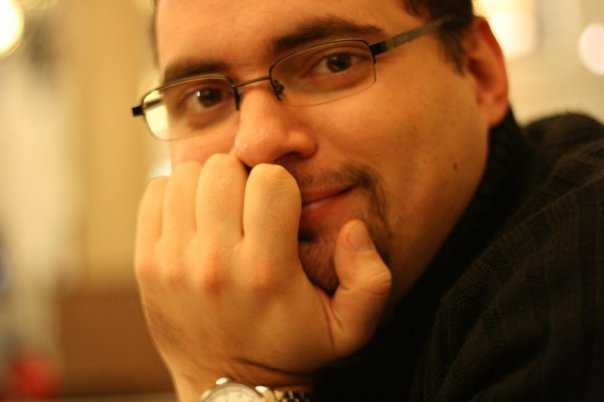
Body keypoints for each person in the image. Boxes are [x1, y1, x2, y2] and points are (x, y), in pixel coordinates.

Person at [131, 1, 604, 401]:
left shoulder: (581, 257)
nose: (258, 143)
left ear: (479, 74)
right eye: (205, 96)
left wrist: (237, 377)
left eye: (335, 62)